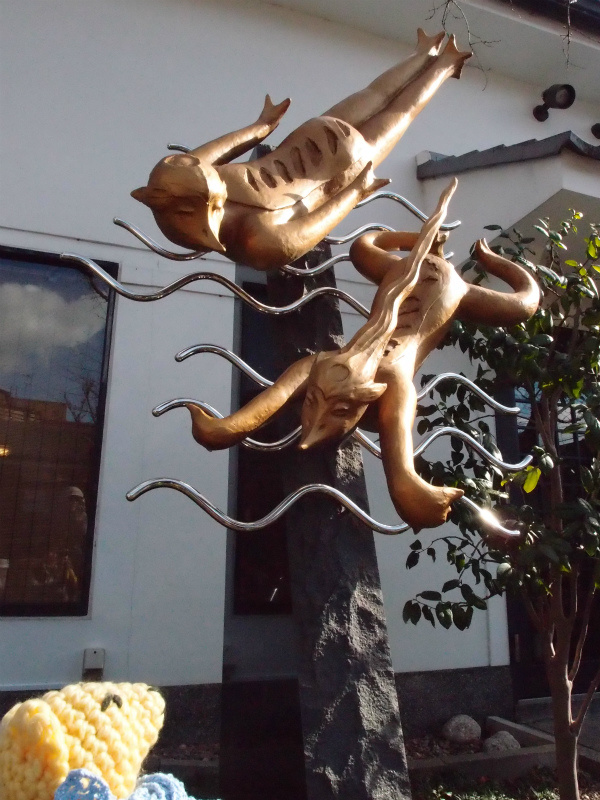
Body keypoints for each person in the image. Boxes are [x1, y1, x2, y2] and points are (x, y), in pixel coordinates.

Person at [132, 30, 471, 270]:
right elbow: (314, 226)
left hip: (314, 137)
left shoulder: (201, 177)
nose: (213, 174)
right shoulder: (257, 242)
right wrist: (354, 192)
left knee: (378, 96)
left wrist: (260, 127)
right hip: (343, 166)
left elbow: (214, 152)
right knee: (398, 110)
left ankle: (425, 55)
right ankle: (442, 65)